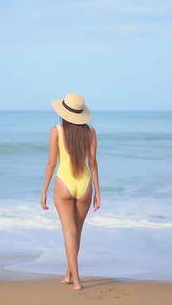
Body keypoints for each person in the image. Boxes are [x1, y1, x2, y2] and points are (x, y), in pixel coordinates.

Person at [40, 92, 101, 291]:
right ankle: (68, 275)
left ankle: (76, 280)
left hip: (64, 184)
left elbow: (51, 164)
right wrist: (98, 192)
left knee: (69, 233)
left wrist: (44, 191)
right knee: (77, 232)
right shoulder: (90, 132)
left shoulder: (56, 130)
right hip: (85, 185)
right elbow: (92, 163)